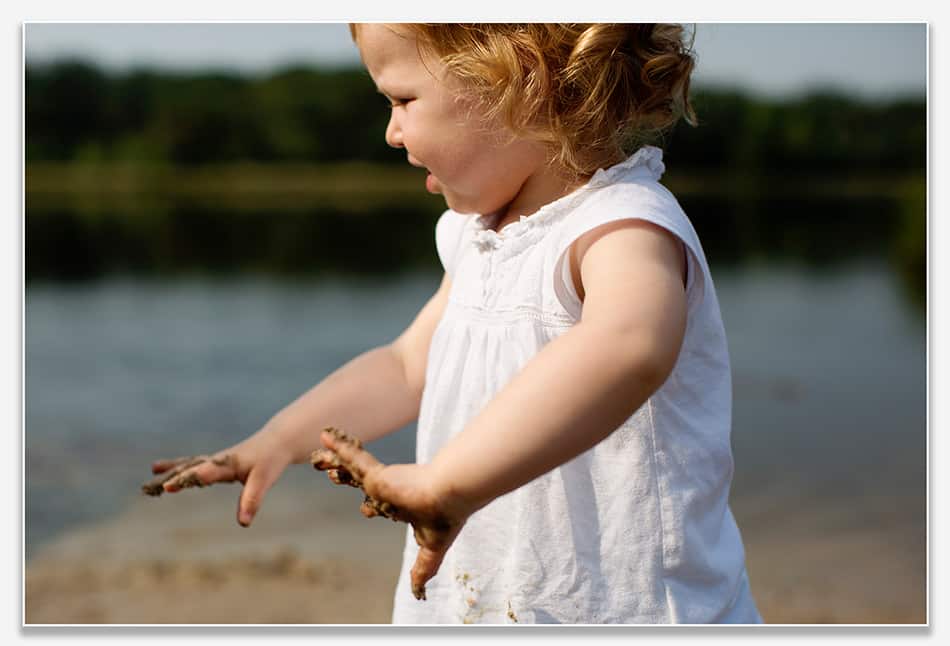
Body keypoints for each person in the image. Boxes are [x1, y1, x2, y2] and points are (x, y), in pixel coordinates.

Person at [148, 23, 763, 624]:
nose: (390, 132)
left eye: (402, 99)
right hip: (488, 600)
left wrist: (448, 483)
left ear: (519, 79)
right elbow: (407, 366)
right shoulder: (476, 242)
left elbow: (628, 345)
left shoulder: (622, 227)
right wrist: (280, 440)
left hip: (623, 611)